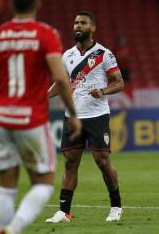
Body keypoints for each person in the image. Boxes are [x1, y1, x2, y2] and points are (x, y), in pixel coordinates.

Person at [0, 0, 81, 234]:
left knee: (6, 188)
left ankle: (2, 230)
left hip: (2, 120)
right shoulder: (45, 34)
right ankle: (13, 229)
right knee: (43, 184)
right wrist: (73, 113)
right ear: (37, 3)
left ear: (10, 4)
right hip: (32, 122)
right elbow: (61, 79)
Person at [45, 11, 125, 223]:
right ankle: (64, 212)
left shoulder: (103, 54)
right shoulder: (67, 55)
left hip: (97, 115)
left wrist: (103, 91)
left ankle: (116, 206)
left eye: (82, 23)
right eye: (75, 23)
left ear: (92, 28)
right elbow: (61, 82)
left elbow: (119, 82)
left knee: (102, 160)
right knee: (70, 162)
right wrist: (44, 96)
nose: (77, 26)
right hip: (72, 116)